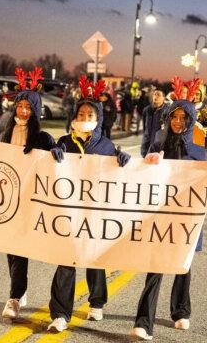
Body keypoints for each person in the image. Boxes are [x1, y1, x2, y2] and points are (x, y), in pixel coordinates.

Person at [0, 67, 62, 320]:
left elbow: (58, 155)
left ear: (35, 111)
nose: (23, 111)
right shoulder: (5, 131)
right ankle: (17, 293)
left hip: (32, 203)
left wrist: (56, 151)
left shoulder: (42, 137)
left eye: (28, 108)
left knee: (23, 248)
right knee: (12, 248)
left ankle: (17, 295)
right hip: (8, 201)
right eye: (20, 106)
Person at [131, 98, 207, 341]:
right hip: (160, 214)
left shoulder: (197, 146)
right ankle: (143, 322)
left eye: (183, 118)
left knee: (183, 266)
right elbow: (145, 174)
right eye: (174, 116)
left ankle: (180, 311)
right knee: (155, 267)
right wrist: (150, 162)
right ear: (169, 117)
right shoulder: (159, 140)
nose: (178, 121)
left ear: (190, 120)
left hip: (186, 218)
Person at [48, 76, 131, 333]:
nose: (85, 117)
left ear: (98, 119)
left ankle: (97, 302)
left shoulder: (106, 146)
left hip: (95, 212)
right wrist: (51, 157)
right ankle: (61, 313)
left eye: (89, 113)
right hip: (68, 212)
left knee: (95, 258)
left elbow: (116, 178)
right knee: (66, 260)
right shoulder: (64, 143)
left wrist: (122, 159)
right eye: (81, 113)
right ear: (74, 116)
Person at [141, 89, 167, 157]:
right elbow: (144, 128)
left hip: (159, 147)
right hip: (146, 145)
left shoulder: (167, 111)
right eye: (154, 94)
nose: (156, 96)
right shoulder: (147, 110)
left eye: (158, 95)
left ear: (163, 98)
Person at [192, 84, 207, 156]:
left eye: (197, 94)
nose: (195, 96)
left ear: (202, 95)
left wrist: (200, 131)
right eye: (193, 93)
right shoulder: (186, 107)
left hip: (202, 145)